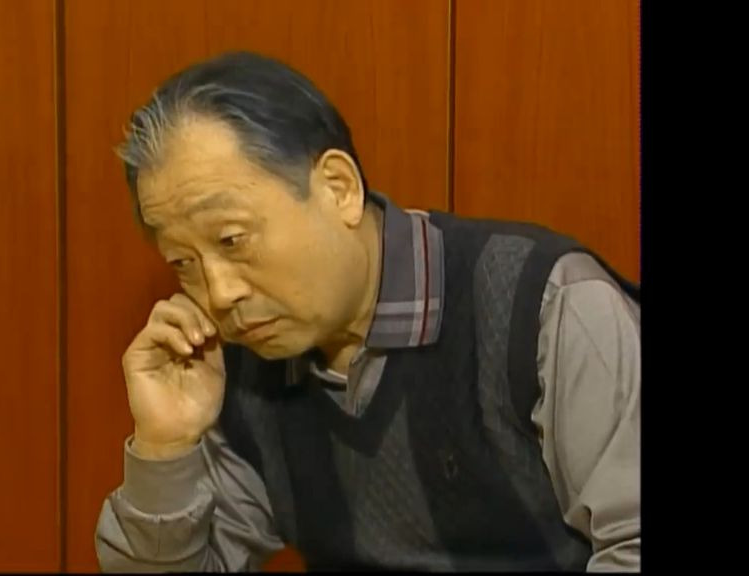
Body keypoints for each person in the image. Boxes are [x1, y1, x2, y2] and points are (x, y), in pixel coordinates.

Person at [94, 51, 640, 572]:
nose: (218, 293)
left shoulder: (546, 305)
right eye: (184, 262)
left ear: (339, 188)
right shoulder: (244, 360)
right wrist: (165, 447)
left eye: (232, 239)